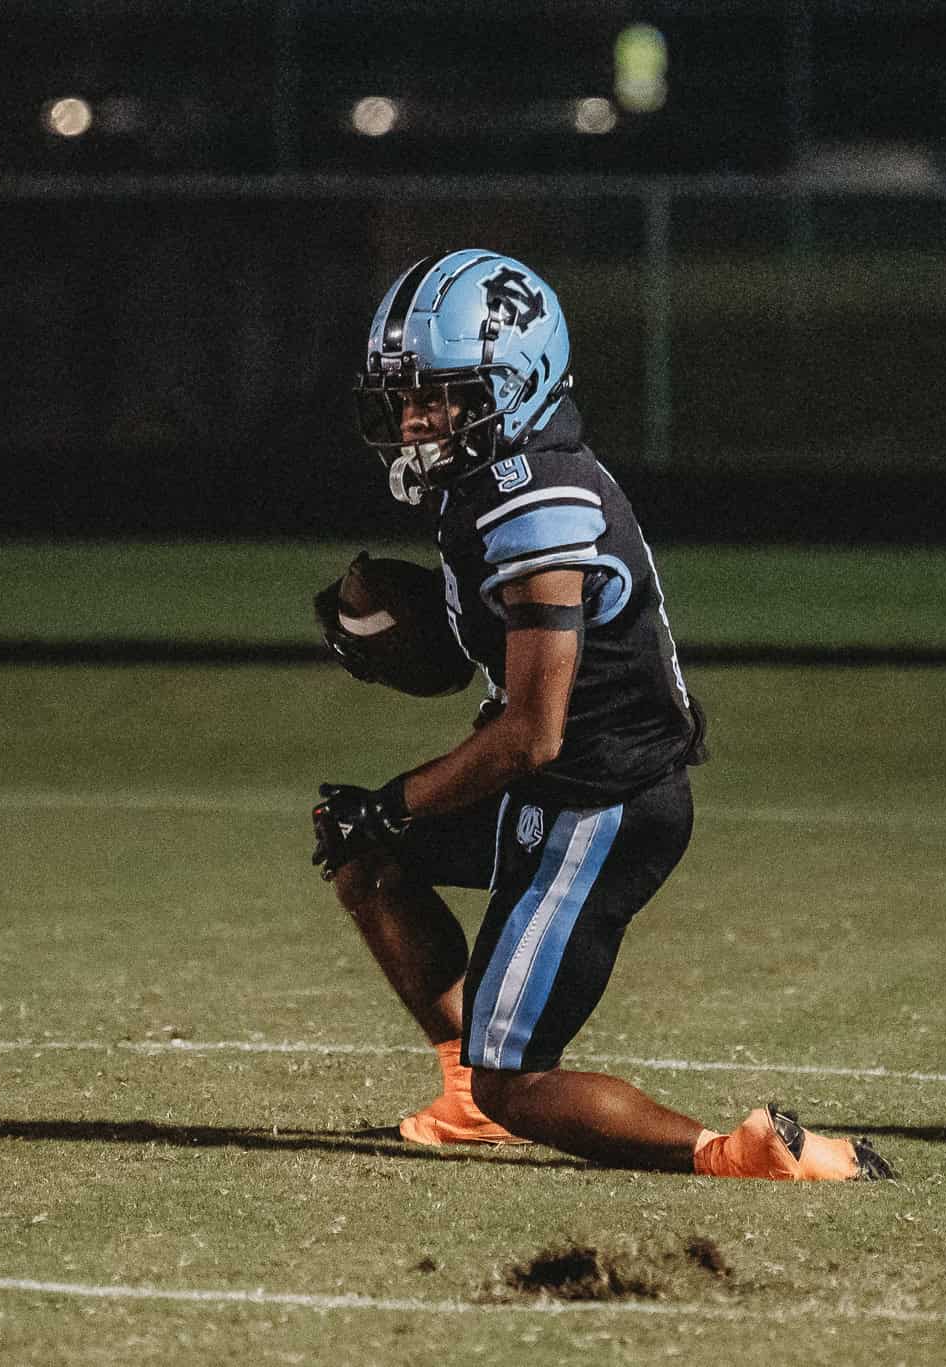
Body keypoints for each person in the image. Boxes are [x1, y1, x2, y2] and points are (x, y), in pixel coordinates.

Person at [311, 250, 891, 1182]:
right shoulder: (492, 483)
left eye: (440, 395)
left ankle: (735, 1154)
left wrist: (396, 799)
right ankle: (465, 1095)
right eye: (406, 396)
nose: (414, 418)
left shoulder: (541, 507)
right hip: (556, 782)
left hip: (601, 806)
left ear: (515, 382)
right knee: (360, 851)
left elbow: (531, 731)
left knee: (519, 1082)